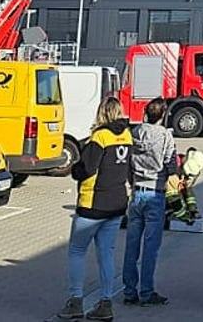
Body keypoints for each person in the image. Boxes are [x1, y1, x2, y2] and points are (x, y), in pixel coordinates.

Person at [62, 98, 134, 321]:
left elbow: (87, 169)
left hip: (93, 203)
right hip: (117, 203)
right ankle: (105, 302)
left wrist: (75, 169)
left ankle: (75, 301)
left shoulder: (100, 137)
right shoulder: (127, 135)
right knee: (106, 254)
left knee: (77, 251)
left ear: (102, 113)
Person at [120, 97, 181, 306]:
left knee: (131, 245)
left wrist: (132, 182)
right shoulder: (165, 136)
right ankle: (146, 291)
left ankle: (129, 291)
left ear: (146, 112)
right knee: (151, 246)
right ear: (162, 115)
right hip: (156, 192)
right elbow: (171, 165)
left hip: (137, 192)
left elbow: (127, 162)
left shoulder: (133, 133)